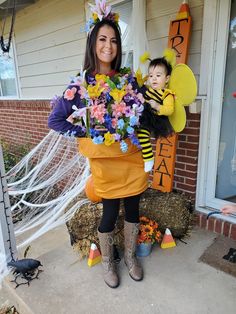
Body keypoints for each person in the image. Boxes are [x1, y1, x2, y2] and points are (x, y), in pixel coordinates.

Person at [48, 0, 149, 289]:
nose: (109, 46)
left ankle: (130, 257)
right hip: (105, 165)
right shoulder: (80, 85)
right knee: (108, 214)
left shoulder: (128, 80)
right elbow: (55, 120)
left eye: (114, 40)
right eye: (103, 39)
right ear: (93, 43)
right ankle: (108, 263)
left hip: (131, 159)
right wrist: (84, 134)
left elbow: (144, 115)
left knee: (132, 210)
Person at [137, 56, 175, 172]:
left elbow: (169, 109)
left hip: (154, 117)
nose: (154, 79)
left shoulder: (167, 94)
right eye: (151, 76)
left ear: (167, 78)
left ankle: (149, 158)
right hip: (141, 114)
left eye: (158, 76)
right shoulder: (148, 89)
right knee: (135, 134)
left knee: (143, 133)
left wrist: (158, 106)